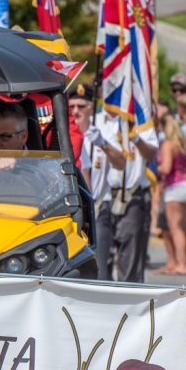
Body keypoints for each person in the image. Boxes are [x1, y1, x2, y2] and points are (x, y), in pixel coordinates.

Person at [71, 85, 125, 280]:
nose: (76, 111)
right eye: (72, 106)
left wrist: (101, 142)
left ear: (91, 107)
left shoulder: (103, 130)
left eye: (81, 106)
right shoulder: (65, 132)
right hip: (73, 211)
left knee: (99, 266)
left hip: (98, 206)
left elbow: (121, 163)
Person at [106, 107, 159, 283]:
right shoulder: (99, 121)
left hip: (131, 194)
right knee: (101, 261)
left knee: (130, 261)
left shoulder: (142, 123)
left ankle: (129, 298)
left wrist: (134, 137)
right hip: (103, 196)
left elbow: (151, 154)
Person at [155, 114, 186, 275]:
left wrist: (155, 168)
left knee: (176, 229)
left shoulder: (168, 144)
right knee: (185, 226)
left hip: (174, 187)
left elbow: (166, 168)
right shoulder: (184, 142)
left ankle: (182, 265)